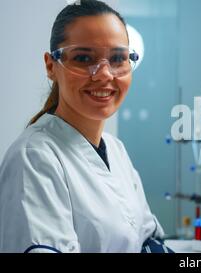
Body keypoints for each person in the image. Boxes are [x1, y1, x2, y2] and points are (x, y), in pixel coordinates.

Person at [0, 0, 172, 253]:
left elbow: (146, 239)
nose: (104, 74)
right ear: (51, 66)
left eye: (117, 59)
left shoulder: (115, 150)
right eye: (83, 57)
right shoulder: (35, 158)